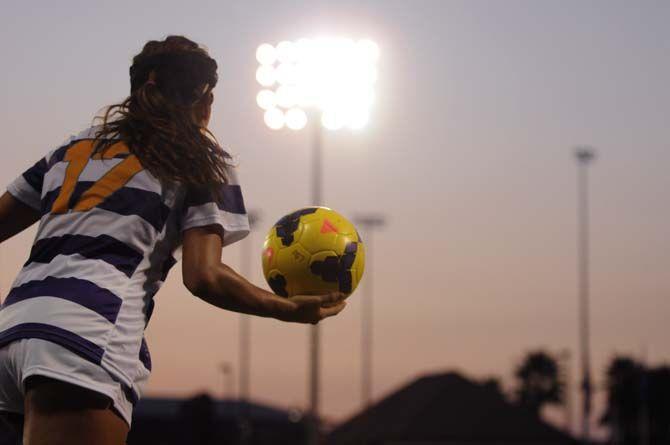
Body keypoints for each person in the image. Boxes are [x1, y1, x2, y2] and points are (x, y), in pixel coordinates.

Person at [0, 35, 347, 445]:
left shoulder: (71, 148)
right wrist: (285, 308)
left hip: (12, 331)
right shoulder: (197, 154)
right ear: (205, 101)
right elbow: (205, 276)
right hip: (83, 338)